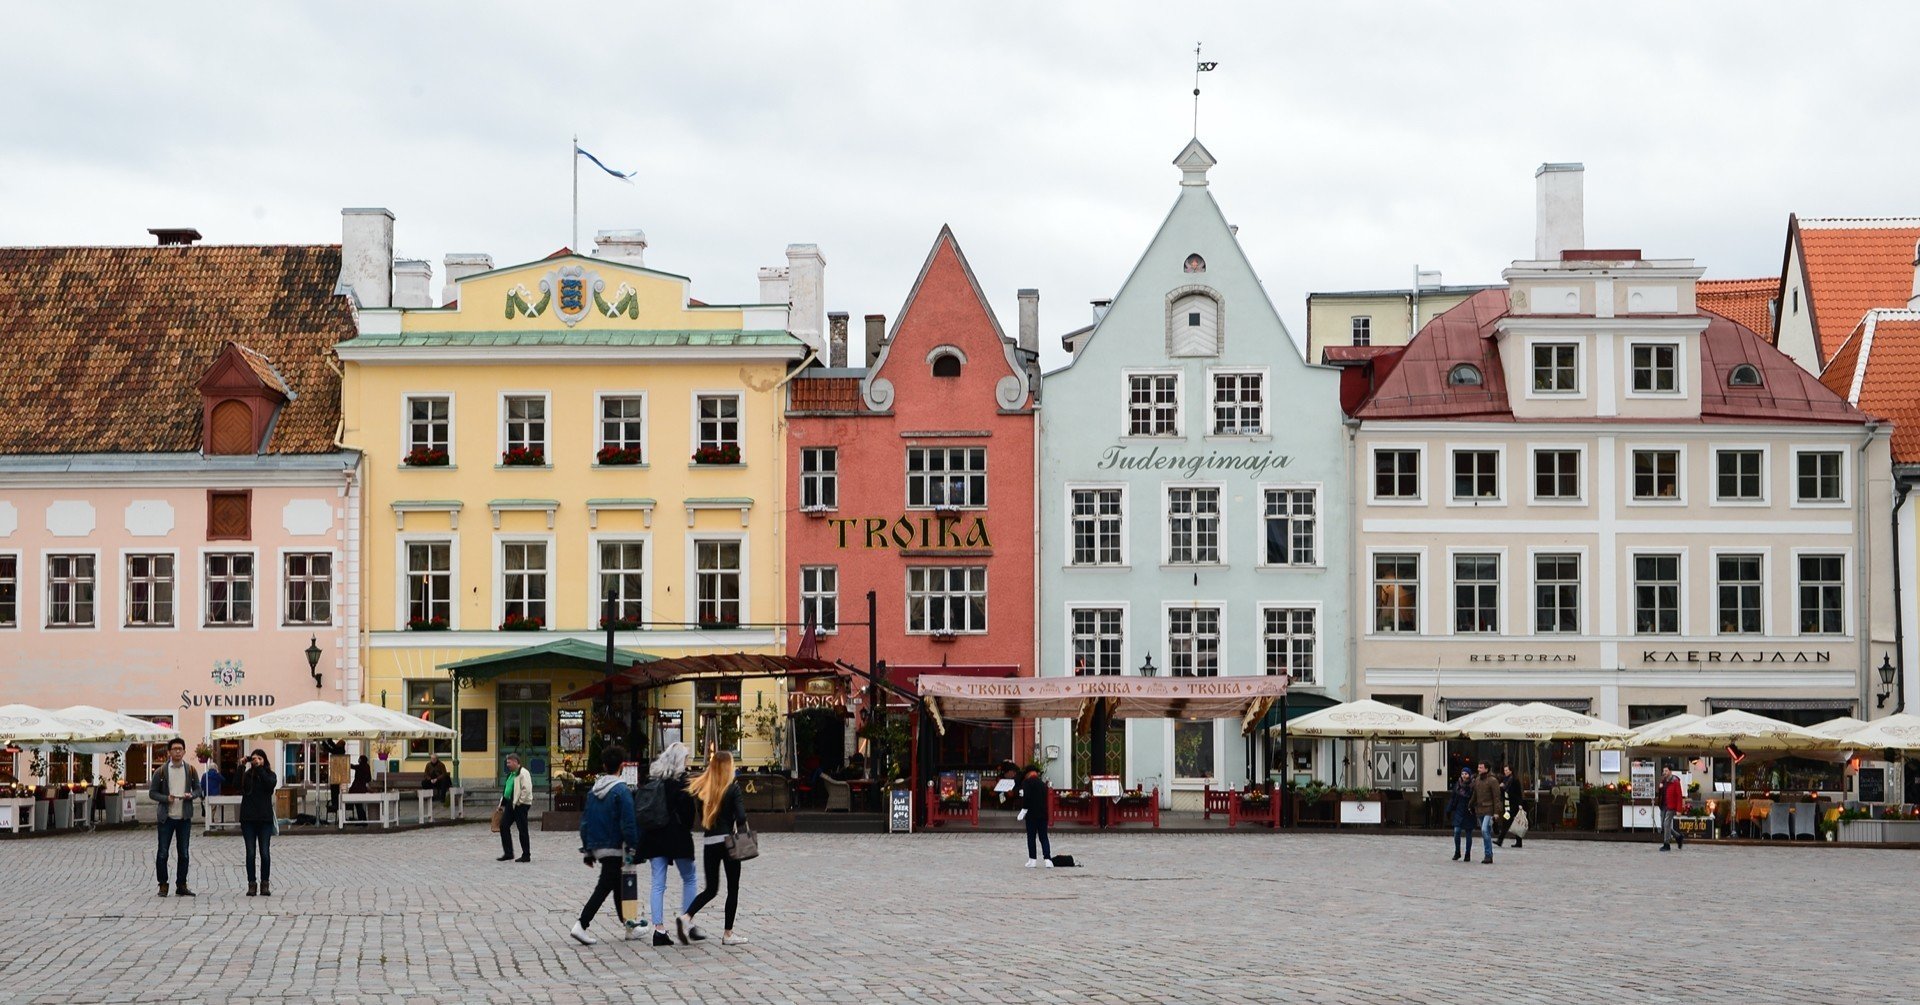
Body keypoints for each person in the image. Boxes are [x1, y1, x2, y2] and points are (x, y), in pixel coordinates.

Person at [570, 747, 640, 945]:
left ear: (603, 766)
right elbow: (628, 822)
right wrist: (633, 846)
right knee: (605, 885)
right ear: (623, 766)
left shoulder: (593, 790)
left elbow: (585, 822)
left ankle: (629, 925)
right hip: (615, 845)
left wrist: (588, 850)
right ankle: (582, 924)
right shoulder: (622, 790)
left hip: (598, 845)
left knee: (617, 885)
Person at [679, 751, 748, 946]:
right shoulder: (733, 789)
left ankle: (686, 916)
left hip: (709, 842)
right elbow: (741, 817)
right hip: (728, 840)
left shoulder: (703, 789)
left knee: (710, 889)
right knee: (732, 888)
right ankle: (728, 933)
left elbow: (700, 818)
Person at [642, 742, 700, 947]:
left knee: (658, 883)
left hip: (655, 836)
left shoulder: (654, 780)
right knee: (690, 877)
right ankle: (687, 920)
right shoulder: (682, 783)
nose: (687, 762)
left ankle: (658, 929)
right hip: (677, 836)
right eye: (686, 758)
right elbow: (689, 815)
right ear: (679, 761)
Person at [148, 737, 199, 896]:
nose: (178, 751)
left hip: (184, 817)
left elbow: (198, 790)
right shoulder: (161, 771)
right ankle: (163, 884)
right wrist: (166, 798)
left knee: (183, 852)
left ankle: (181, 884)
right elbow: (152, 793)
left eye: (180, 749)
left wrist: (191, 795)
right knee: (163, 852)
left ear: (184, 751)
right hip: (166, 818)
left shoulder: (190, 770)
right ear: (169, 752)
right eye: (174, 749)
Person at [238, 748, 277, 897]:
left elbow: (269, 785)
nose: (256, 761)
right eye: (254, 759)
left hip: (265, 819)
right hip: (248, 819)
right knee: (250, 853)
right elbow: (236, 785)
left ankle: (265, 884)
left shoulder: (270, 775)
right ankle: (251, 884)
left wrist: (260, 769)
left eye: (260, 758)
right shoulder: (247, 776)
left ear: (264, 760)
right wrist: (241, 766)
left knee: (265, 853)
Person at [498, 752, 533, 862]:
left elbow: (526, 789)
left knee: (522, 829)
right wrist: (501, 804)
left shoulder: (523, 773)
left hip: (520, 805)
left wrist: (520, 802)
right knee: (503, 826)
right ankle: (508, 853)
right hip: (510, 804)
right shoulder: (511, 774)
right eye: (507, 762)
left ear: (515, 762)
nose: (507, 764)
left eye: (509, 762)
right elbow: (507, 791)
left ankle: (526, 855)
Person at [1017, 765, 1052, 868]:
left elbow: (1026, 797)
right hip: (1043, 814)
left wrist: (1024, 810)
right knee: (1044, 837)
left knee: (1031, 837)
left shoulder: (1027, 783)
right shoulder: (1043, 784)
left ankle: (1032, 860)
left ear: (1028, 773)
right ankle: (1048, 859)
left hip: (1031, 814)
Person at [1470, 762, 1502, 864]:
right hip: (1479, 810)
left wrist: (1497, 812)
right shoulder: (1477, 780)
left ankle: (1488, 854)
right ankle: (1488, 855)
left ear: (1486, 769)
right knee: (1486, 832)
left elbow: (1497, 797)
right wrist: (1470, 804)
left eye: (1481, 767)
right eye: (1478, 767)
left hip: (1489, 810)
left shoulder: (1492, 781)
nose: (1478, 769)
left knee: (1484, 830)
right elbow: (1475, 794)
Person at [1446, 768, 1475, 862]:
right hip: (1459, 810)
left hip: (1469, 811)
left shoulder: (1473, 786)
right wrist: (1449, 809)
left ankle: (1467, 854)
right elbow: (1453, 797)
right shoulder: (1458, 785)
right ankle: (1457, 852)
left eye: (1466, 774)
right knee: (1457, 831)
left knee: (1468, 833)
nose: (1464, 775)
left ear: (1469, 775)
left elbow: (1476, 798)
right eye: (1462, 773)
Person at [1496, 765, 1525, 849]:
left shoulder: (1514, 780)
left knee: (1507, 822)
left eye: (1507, 770)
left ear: (1511, 771)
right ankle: (1518, 842)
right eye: (1504, 770)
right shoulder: (1505, 780)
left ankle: (1500, 840)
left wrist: (1520, 804)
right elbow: (1504, 793)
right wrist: (1501, 788)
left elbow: (1518, 793)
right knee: (1513, 822)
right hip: (1508, 805)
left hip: (1514, 805)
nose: (1506, 772)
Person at [1659, 765, 1687, 852]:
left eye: (1666, 771)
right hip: (1663, 805)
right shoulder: (1663, 781)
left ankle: (1666, 844)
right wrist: (1659, 787)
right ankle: (1678, 837)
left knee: (1666, 824)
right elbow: (1661, 793)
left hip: (1671, 806)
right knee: (1663, 826)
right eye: (1664, 771)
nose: (1664, 773)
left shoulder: (1675, 781)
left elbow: (1679, 796)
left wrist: (1679, 809)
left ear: (1670, 771)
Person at [323, 738, 348, 823]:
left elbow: (331, 748)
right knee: (336, 791)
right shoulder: (340, 750)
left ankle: (335, 805)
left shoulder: (338, 750)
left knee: (334, 791)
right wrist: (329, 741)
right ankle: (336, 805)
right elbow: (333, 747)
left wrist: (325, 743)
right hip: (338, 775)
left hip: (336, 775)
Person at [347, 754, 373, 822]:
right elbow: (369, 779)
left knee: (358, 805)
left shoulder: (360, 766)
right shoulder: (367, 766)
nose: (358, 760)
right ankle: (363, 820)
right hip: (362, 789)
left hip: (356, 789)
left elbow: (352, 766)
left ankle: (362, 820)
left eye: (359, 759)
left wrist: (345, 761)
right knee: (360, 805)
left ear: (361, 760)